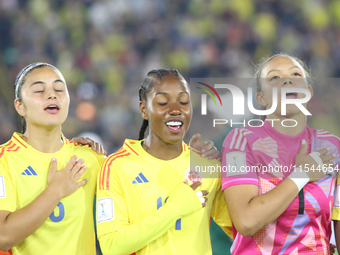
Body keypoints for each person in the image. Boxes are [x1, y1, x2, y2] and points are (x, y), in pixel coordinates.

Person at [96, 69, 232, 255]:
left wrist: (233, 168)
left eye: (183, 102)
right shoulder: (117, 166)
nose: (176, 110)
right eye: (163, 102)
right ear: (144, 109)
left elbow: (245, 228)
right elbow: (112, 246)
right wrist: (176, 207)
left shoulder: (205, 165)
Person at [222, 53, 339, 254]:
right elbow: (246, 221)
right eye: (274, 78)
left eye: (295, 74)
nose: (287, 79)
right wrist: (302, 174)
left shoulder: (332, 146)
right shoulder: (239, 141)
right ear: (261, 98)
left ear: (308, 92)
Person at [0, 62, 108, 255]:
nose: (52, 95)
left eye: (59, 89)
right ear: (20, 106)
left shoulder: (90, 158)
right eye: (39, 90)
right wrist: (56, 190)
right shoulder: (4, 161)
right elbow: (3, 236)